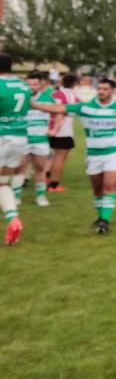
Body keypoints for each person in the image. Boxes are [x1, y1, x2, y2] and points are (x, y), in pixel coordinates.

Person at [32, 77, 116, 235]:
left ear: (112, 91)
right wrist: (32, 104)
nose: (101, 92)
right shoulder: (85, 107)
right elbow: (58, 109)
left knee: (110, 185)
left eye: (105, 89)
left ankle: (104, 221)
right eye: (99, 89)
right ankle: (101, 217)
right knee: (97, 189)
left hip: (115, 153)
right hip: (93, 155)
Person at [0, 56, 32, 245]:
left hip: (2, 136)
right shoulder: (23, 86)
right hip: (20, 138)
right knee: (3, 182)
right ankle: (13, 219)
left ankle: (12, 218)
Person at [20, 70, 53, 208]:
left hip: (40, 140)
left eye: (35, 84)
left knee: (40, 168)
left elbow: (59, 113)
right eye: (29, 84)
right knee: (19, 169)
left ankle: (41, 196)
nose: (32, 87)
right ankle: (16, 197)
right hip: (22, 139)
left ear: (40, 85)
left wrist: (54, 129)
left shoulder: (48, 99)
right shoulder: (20, 99)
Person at [47, 73, 79, 192]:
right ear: (75, 84)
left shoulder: (54, 94)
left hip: (49, 128)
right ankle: (54, 185)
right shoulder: (72, 96)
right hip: (64, 130)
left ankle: (45, 179)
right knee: (60, 158)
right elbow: (73, 110)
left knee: (52, 156)